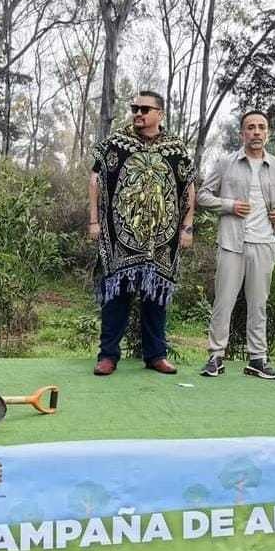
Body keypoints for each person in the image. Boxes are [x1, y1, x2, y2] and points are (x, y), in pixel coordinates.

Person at [88, 91, 195, 376]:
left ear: (160, 113)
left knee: (156, 296)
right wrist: (93, 221)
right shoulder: (115, 143)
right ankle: (108, 355)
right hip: (120, 235)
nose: (138, 113)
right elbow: (95, 179)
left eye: (145, 109)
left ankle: (156, 355)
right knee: (117, 296)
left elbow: (188, 187)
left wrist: (187, 226)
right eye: (135, 108)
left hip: (163, 237)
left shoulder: (176, 147)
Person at [197, 111, 275, 379]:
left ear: (268, 133)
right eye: (250, 127)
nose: (256, 132)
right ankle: (215, 356)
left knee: (258, 304)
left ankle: (257, 359)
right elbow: (203, 196)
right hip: (232, 243)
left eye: (261, 127)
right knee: (224, 301)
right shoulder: (224, 163)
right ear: (242, 133)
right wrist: (229, 205)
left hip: (265, 242)